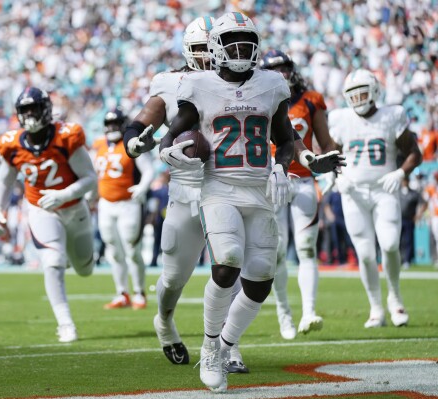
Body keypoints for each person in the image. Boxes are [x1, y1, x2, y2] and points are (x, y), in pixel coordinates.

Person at [158, 12, 344, 392]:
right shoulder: (199, 85)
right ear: (216, 47)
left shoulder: (272, 84)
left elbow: (285, 135)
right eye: (232, 42)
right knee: (226, 262)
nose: (241, 49)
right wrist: (168, 153)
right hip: (218, 185)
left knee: (261, 276)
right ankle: (210, 348)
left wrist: (283, 165)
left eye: (246, 40)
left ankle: (226, 345)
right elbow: (172, 134)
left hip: (260, 188)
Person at [122, 16, 225, 367]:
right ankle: (164, 321)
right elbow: (141, 121)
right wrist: (135, 142)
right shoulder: (170, 83)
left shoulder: (246, 81)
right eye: (201, 50)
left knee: (232, 266)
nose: (209, 58)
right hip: (186, 189)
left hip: (231, 187)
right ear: (187, 50)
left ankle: (228, 345)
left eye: (214, 49)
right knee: (173, 277)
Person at [0, 87, 97, 343]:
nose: (29, 115)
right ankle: (65, 323)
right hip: (41, 209)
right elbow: (4, 182)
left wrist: (63, 195)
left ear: (45, 109)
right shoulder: (12, 144)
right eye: (24, 110)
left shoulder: (65, 136)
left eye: (33, 109)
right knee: (52, 262)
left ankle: (68, 256)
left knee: (85, 269)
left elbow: (90, 179)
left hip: (73, 208)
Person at [329, 69, 422, 328]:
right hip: (354, 193)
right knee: (366, 254)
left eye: (363, 93)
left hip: (384, 189)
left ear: (375, 92)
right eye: (353, 95)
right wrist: (338, 177)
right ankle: (376, 308)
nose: (358, 99)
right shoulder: (340, 119)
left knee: (390, 244)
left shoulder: (392, 115)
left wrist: (400, 172)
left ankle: (395, 297)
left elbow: (415, 153)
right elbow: (330, 156)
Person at [260, 49, 341, 338]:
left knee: (307, 248)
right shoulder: (259, 100)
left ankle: (309, 311)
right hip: (272, 180)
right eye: (275, 69)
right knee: (278, 252)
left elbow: (325, 140)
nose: (281, 74)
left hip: (304, 179)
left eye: (284, 68)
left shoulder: (310, 100)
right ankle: (284, 313)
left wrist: (335, 167)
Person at [92, 108, 154, 310]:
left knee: (131, 249)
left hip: (128, 203)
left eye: (115, 124)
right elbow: (96, 173)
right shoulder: (99, 145)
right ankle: (122, 293)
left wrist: (142, 187)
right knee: (113, 251)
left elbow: (148, 171)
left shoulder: (131, 145)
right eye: (108, 124)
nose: (111, 128)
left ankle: (139, 292)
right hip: (106, 204)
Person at [399, 175, 425, 269]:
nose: (404, 182)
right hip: (398, 219)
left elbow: (423, 203)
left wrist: (418, 215)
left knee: (408, 240)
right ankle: (399, 259)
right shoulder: (397, 193)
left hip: (409, 219)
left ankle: (407, 260)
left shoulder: (414, 193)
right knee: (398, 241)